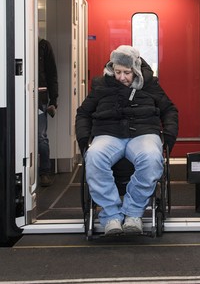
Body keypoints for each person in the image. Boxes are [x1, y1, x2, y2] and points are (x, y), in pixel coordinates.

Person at [75, 45, 178, 236]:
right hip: (109, 134)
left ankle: (132, 213)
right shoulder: (101, 85)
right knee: (94, 156)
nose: (122, 77)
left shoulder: (150, 84)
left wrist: (169, 138)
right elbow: (83, 113)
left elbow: (169, 110)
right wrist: (83, 140)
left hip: (143, 132)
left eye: (127, 73)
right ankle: (112, 216)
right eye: (117, 72)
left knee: (151, 158)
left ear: (136, 70)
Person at [38, 37, 59, 187]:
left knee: (41, 136)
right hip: (20, 98)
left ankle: (44, 172)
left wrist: (53, 101)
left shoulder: (44, 45)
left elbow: (52, 74)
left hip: (40, 97)